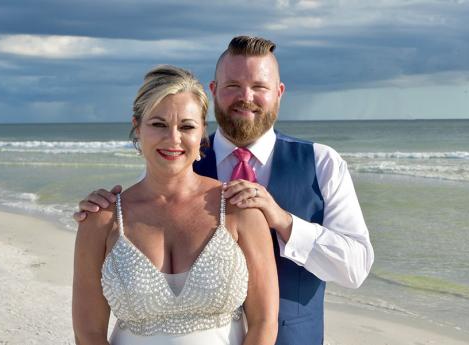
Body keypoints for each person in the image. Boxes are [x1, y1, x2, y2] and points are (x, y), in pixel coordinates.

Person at [75, 36, 374, 345]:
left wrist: (284, 222)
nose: (246, 97)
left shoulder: (322, 163)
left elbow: (356, 269)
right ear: (214, 91)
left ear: (279, 93)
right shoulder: (174, 156)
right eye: (232, 86)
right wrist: (100, 209)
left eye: (259, 87)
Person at [72, 65, 279, 345]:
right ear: (137, 127)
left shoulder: (239, 209)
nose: (173, 139)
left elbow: (264, 323)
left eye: (187, 126)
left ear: (202, 132)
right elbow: (88, 334)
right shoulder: (101, 219)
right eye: (158, 124)